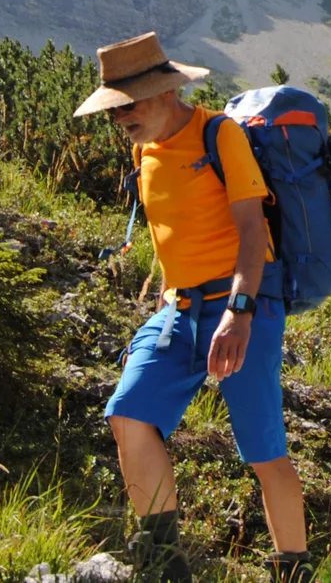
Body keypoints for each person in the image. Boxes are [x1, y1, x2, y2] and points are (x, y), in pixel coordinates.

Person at [76, 33, 310, 583]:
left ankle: (294, 571)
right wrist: (169, 293)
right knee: (128, 415)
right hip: (179, 310)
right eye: (113, 111)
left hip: (242, 305)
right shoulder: (143, 148)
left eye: (127, 106)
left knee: (262, 448)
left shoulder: (218, 134)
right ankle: (163, 565)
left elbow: (252, 230)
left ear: (163, 92)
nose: (120, 120)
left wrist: (240, 311)